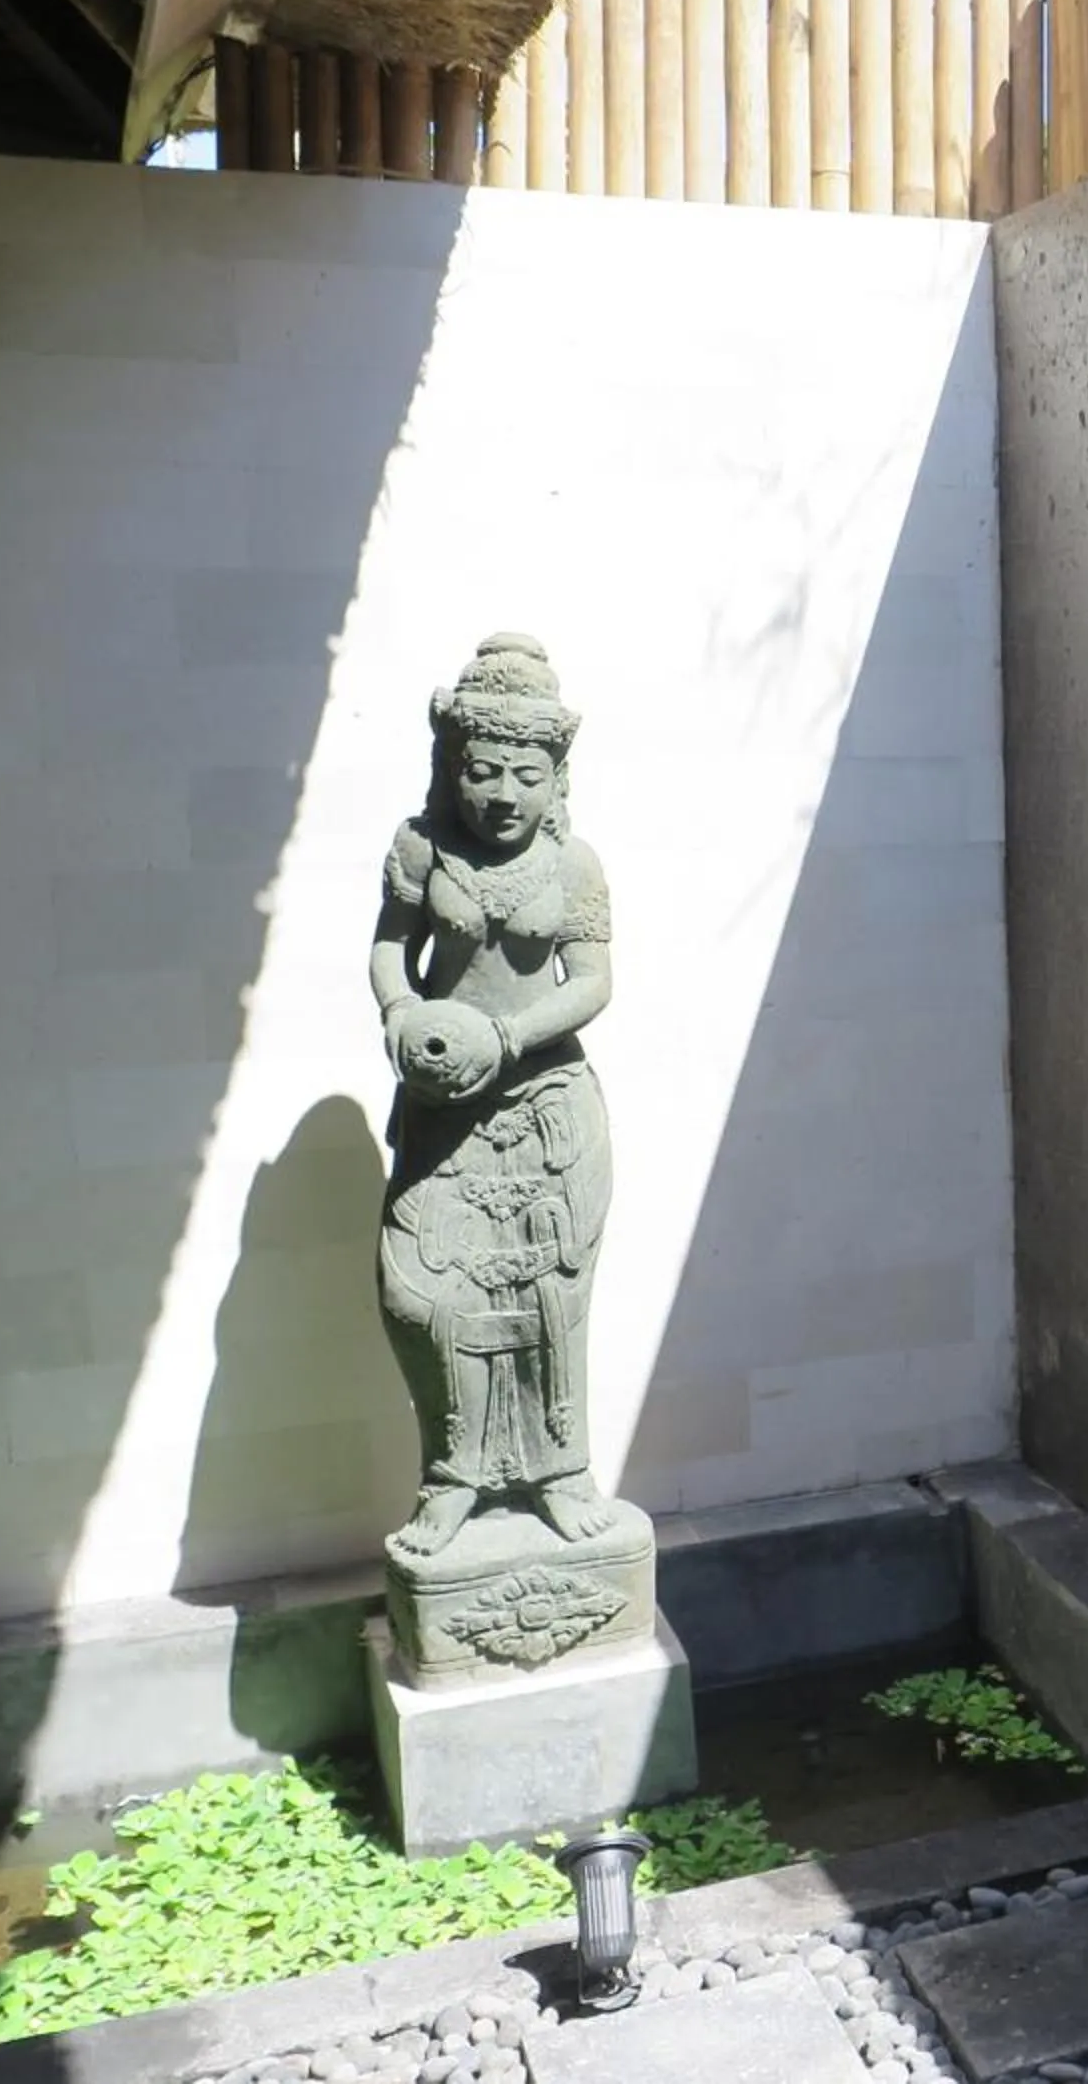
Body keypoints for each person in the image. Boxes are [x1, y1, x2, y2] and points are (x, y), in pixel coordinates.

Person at [369, 635, 619, 1558]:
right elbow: (390, 949)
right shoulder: (421, 848)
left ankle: (562, 1471)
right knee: (422, 1297)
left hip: (548, 1105)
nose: (504, 794)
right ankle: (452, 1475)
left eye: (526, 775)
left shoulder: (574, 865)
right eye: (482, 772)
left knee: (554, 1296)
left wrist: (507, 1039)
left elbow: (592, 982)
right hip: (446, 1107)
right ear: (453, 769)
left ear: (556, 779)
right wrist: (403, 1013)